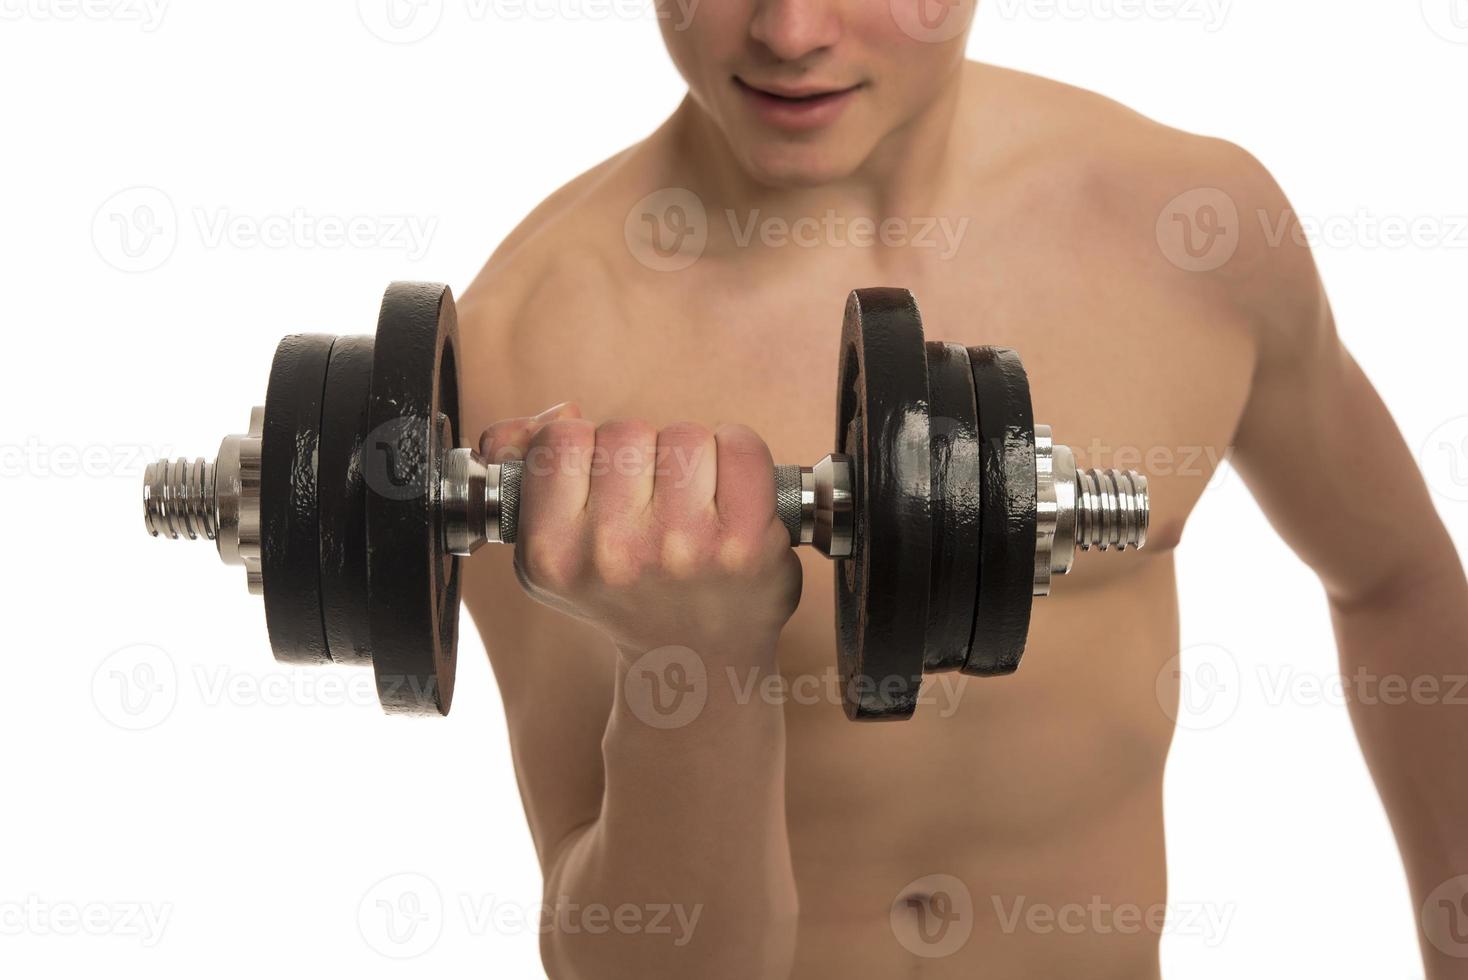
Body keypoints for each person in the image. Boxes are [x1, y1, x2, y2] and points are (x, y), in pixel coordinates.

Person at [453, 3, 1468, 976]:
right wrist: (695, 652)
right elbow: (625, 959)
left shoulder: (1187, 233)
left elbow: (1397, 583)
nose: (789, 32)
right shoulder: (533, 352)